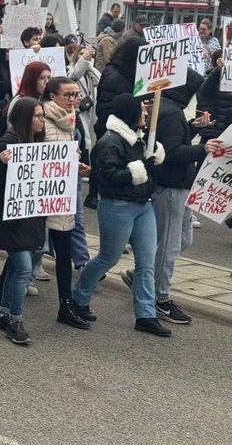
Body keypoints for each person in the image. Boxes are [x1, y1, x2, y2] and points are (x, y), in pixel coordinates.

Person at [119, 73, 219, 325]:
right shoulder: (172, 114)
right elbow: (172, 153)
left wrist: (193, 127)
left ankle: (142, 275)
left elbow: (169, 141)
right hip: (173, 187)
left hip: (176, 186)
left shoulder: (167, 110)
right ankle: (160, 298)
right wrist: (202, 148)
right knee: (169, 246)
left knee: (181, 239)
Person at [72, 94, 170, 337]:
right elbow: (106, 178)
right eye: (142, 110)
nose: (145, 113)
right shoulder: (109, 142)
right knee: (108, 258)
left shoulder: (138, 139)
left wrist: (149, 163)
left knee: (147, 262)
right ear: (130, 113)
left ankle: (146, 314)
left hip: (143, 205)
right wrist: (137, 170)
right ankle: (79, 296)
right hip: (118, 206)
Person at [0, 97, 47, 345]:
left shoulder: (36, 142)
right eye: (38, 116)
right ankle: (16, 320)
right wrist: (1, 163)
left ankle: (5, 313)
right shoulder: (8, 143)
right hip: (12, 217)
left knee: (15, 267)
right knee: (22, 268)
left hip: (30, 215)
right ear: (24, 119)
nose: (42, 120)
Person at [41, 78, 94, 328]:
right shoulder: (41, 119)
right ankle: (2, 295)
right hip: (41, 196)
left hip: (61, 195)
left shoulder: (72, 120)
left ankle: (66, 305)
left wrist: (76, 164)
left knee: (63, 253)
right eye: (68, 95)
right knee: (27, 252)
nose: (73, 100)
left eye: (76, 95)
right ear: (53, 97)